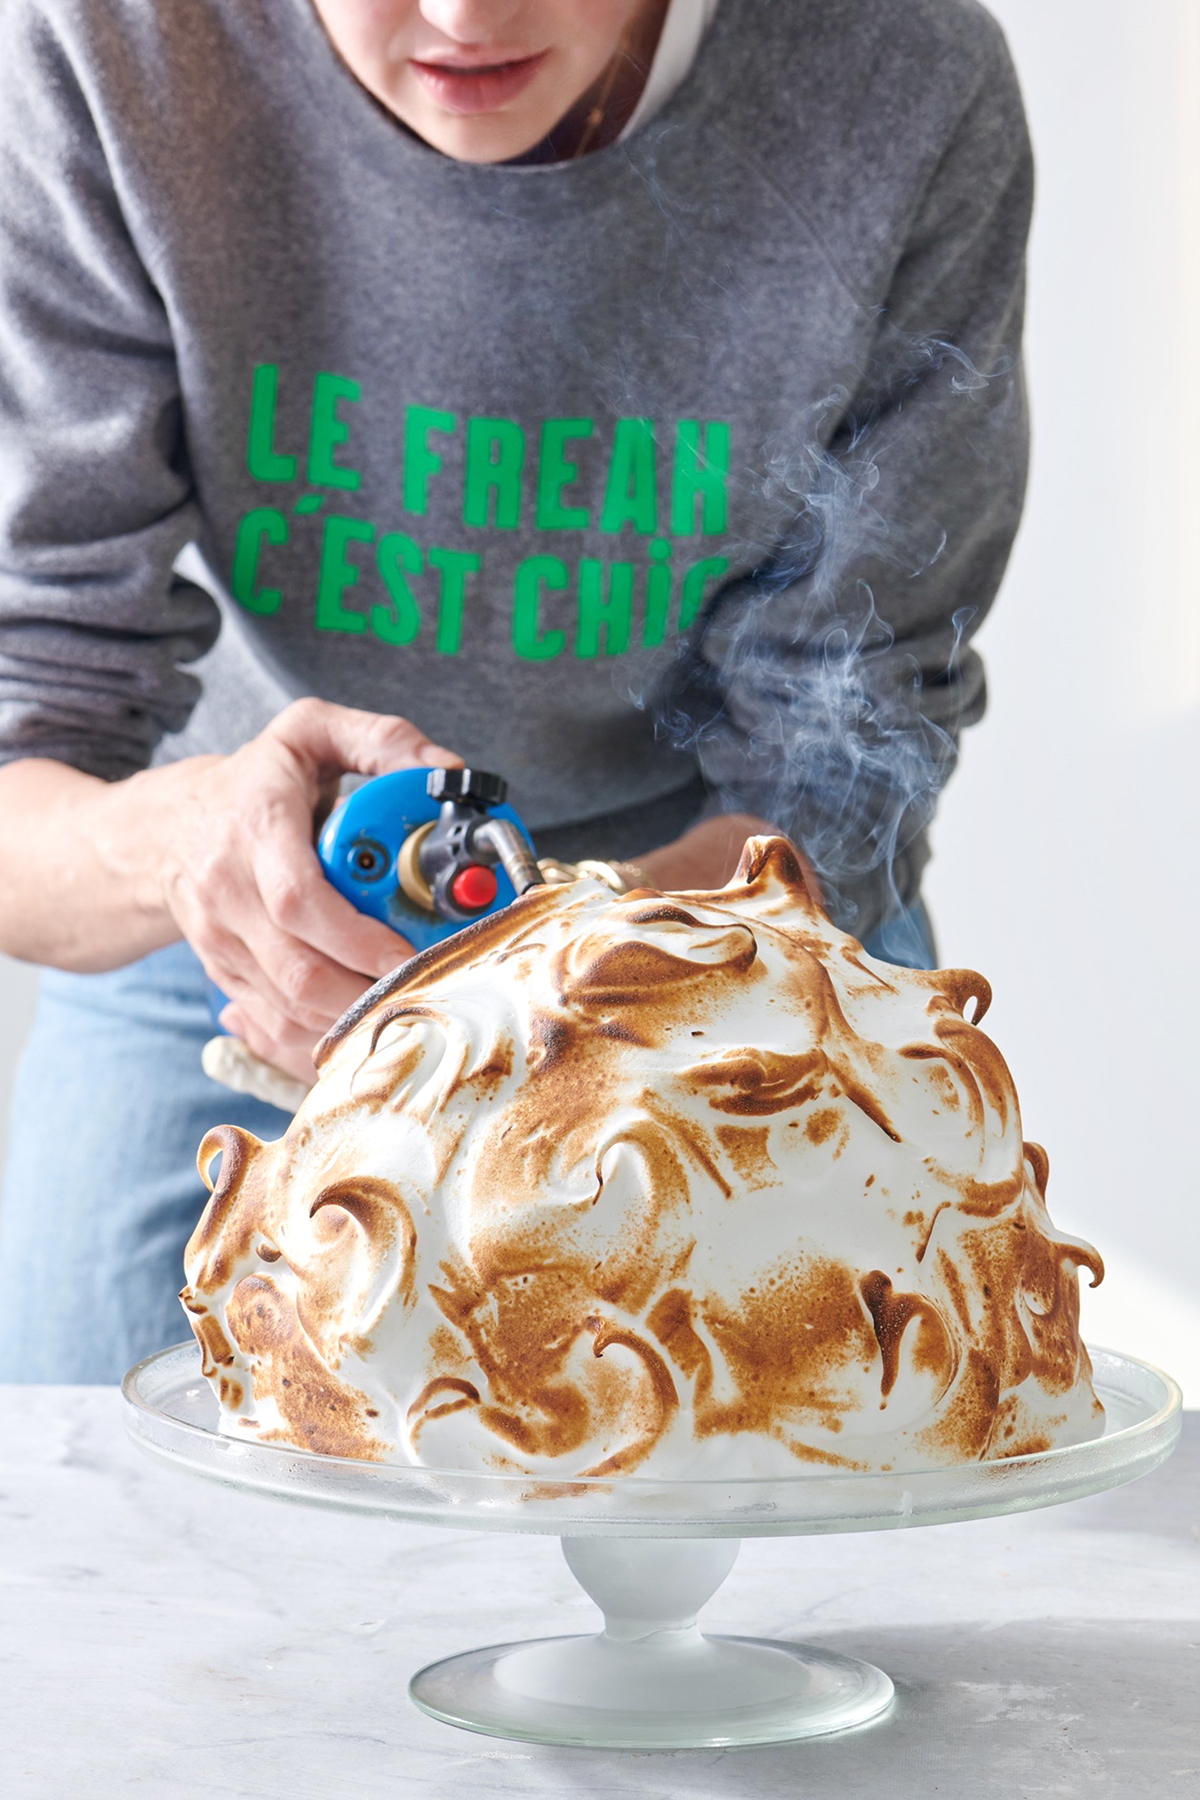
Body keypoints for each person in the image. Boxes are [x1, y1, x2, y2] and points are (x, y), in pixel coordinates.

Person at [0, 0, 1032, 1381]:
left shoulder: (899, 76)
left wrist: (552, 991)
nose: (462, 15)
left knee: (814, 1505)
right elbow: (28, 754)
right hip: (239, 930)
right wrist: (190, 849)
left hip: (740, 928)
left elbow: (839, 760)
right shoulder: (113, 47)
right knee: (107, 1516)